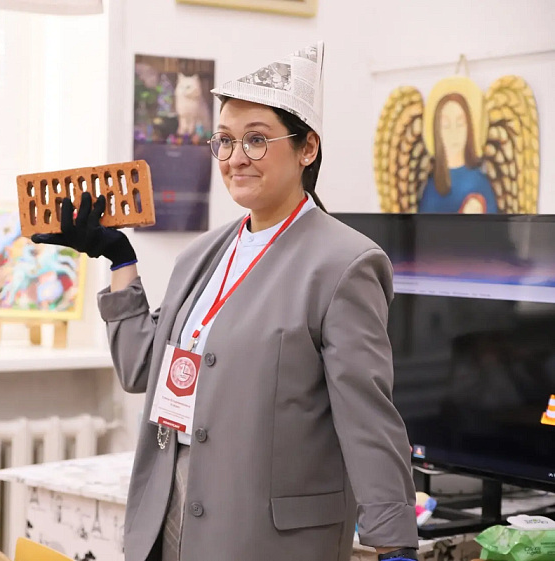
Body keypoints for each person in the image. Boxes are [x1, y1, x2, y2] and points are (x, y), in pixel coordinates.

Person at [33, 42, 419, 561]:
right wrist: (120, 258)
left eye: (256, 140)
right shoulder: (203, 254)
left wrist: (394, 543)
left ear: (307, 148)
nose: (236, 158)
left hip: (265, 536)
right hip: (168, 514)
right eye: (225, 140)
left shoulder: (344, 263)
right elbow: (142, 367)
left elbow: (367, 417)